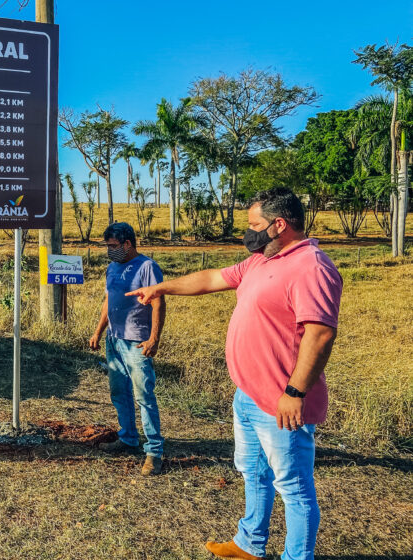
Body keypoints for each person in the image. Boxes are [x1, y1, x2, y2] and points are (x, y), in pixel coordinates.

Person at [128, 188, 342, 560]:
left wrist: (295, 392)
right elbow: (212, 278)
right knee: (253, 472)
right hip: (247, 394)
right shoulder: (261, 260)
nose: (249, 233)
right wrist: (162, 287)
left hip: (282, 402)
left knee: (293, 488)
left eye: (255, 225)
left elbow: (320, 334)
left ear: (279, 225)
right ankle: (250, 544)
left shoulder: (312, 267)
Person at [89, 222, 166, 476]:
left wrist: (154, 338)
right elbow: (108, 302)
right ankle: (128, 438)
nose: (110, 251)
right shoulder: (112, 267)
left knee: (144, 396)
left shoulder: (147, 267)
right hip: (114, 340)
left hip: (136, 343)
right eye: (108, 246)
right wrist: (98, 332)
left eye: (113, 246)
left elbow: (158, 303)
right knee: (118, 392)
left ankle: (154, 451)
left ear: (127, 244)